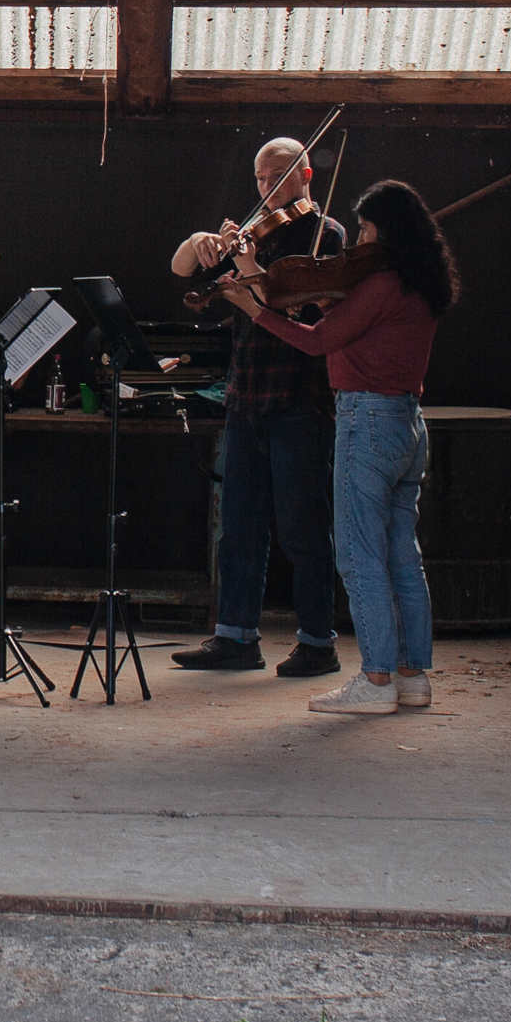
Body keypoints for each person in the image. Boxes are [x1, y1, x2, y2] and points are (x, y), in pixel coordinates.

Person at [220, 180, 457, 715]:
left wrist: (252, 309)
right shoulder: (418, 283)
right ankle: (412, 676)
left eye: (368, 228)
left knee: (359, 555)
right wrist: (268, 280)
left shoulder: (380, 284)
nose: (360, 240)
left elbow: (316, 341)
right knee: (402, 558)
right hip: (406, 423)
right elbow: (335, 314)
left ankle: (374, 681)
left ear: (387, 229)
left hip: (366, 421)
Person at [168, 139, 346, 677]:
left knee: (302, 525)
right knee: (239, 524)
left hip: (299, 396)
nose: (265, 188)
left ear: (305, 174)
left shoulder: (325, 233)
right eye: (259, 179)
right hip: (246, 395)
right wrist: (201, 242)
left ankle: (319, 642)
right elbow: (181, 271)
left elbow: (286, 306)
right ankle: (236, 637)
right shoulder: (251, 233)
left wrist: (244, 261)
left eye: (275, 176)